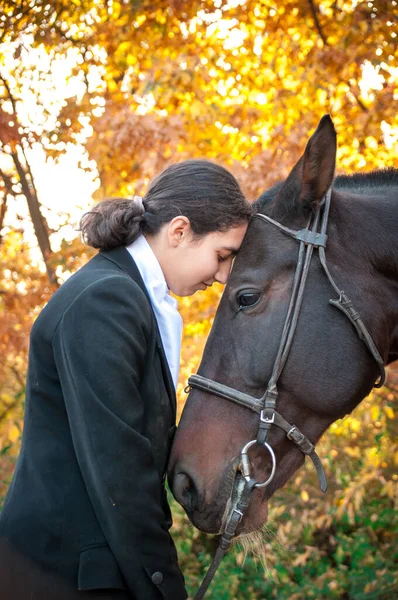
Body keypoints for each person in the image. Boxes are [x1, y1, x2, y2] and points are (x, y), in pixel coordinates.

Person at [0, 159, 253, 599]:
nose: (223, 275)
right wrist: (164, 586)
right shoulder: (106, 299)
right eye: (223, 254)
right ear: (179, 231)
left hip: (91, 565)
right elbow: (120, 468)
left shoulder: (130, 295)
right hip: (62, 572)